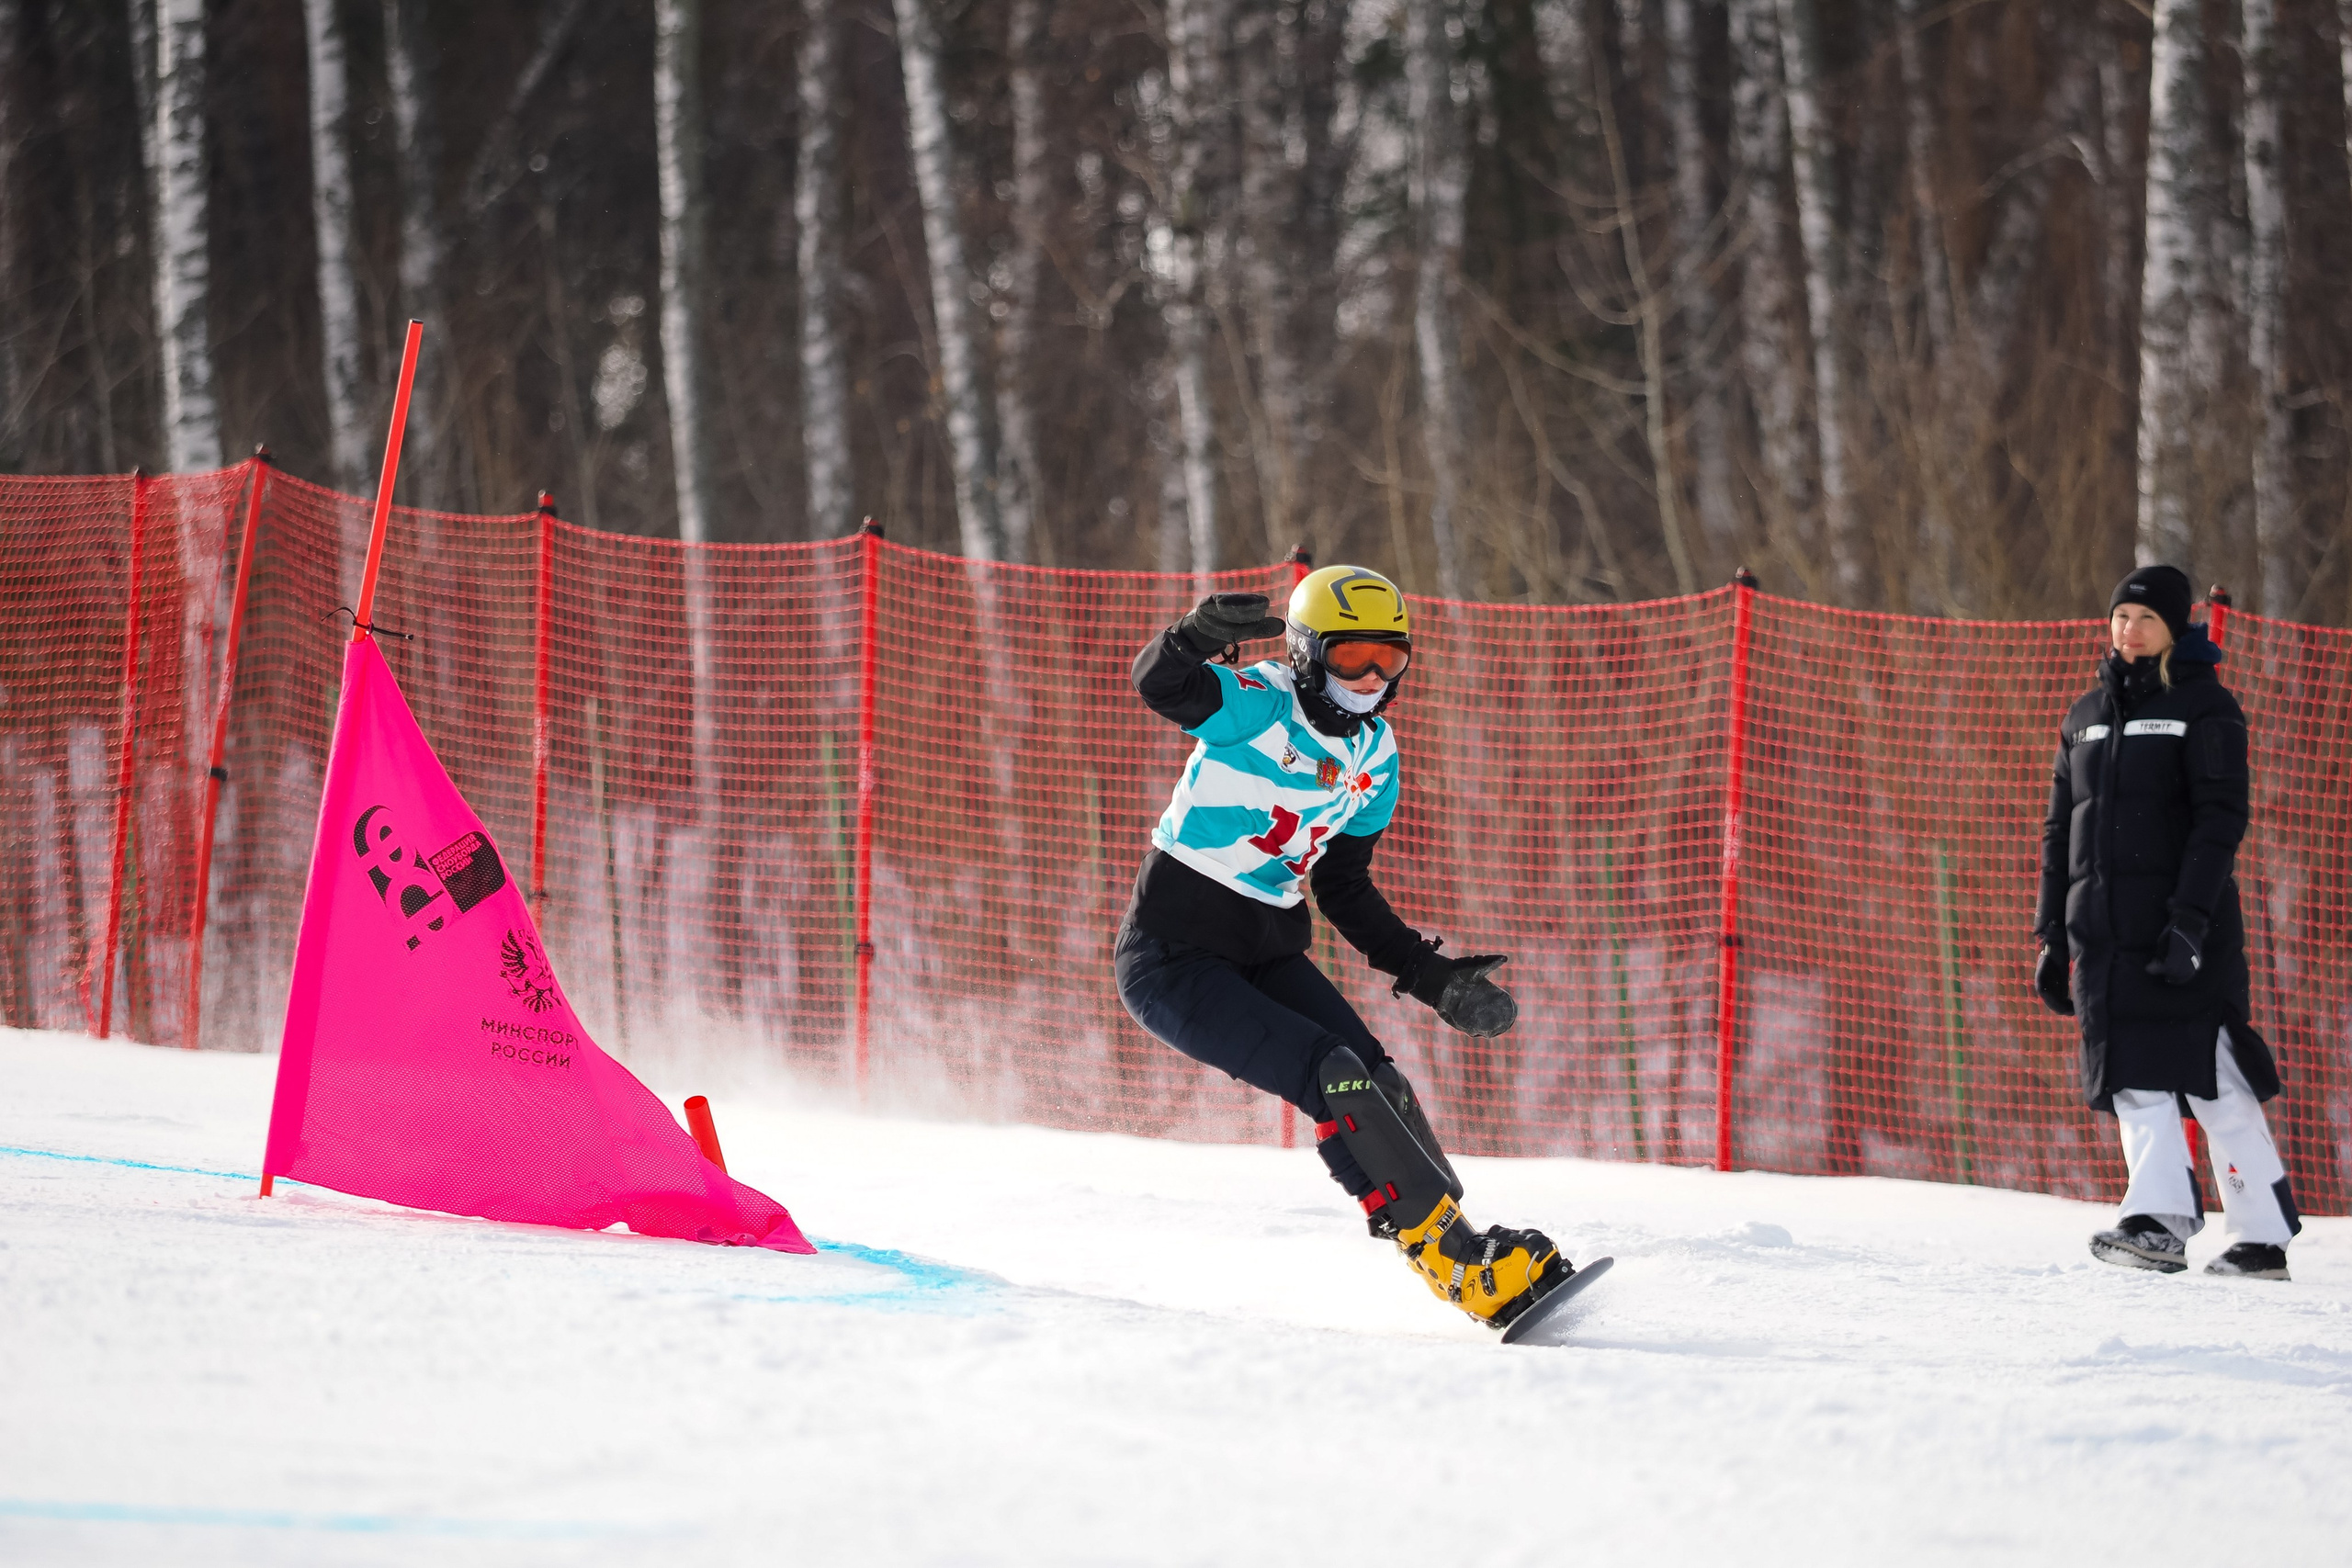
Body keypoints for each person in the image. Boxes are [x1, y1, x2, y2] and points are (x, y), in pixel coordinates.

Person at [1115, 565, 1580, 1329]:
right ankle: (1458, 1269)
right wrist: (1194, 637)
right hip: (1172, 956)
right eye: (1351, 656)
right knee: (1333, 1077)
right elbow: (1160, 685)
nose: (1370, 677)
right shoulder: (1258, 704)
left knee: (1375, 1078)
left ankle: (1458, 1239)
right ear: (1304, 652)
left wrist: (1430, 976)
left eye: (1388, 659)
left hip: (1265, 947)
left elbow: (1345, 886)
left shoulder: (1377, 757)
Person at [2035, 564, 2298, 1280]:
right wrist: (2051, 935)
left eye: (2145, 619)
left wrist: (2189, 922)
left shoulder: (2206, 707)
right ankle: (2157, 1221)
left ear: (2176, 627)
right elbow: (2060, 831)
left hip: (2185, 932)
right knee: (2130, 1077)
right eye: (2121, 616)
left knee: (2217, 1081)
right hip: (2104, 937)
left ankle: (2261, 1234)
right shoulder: (2084, 714)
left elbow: (2221, 821)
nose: (2129, 630)